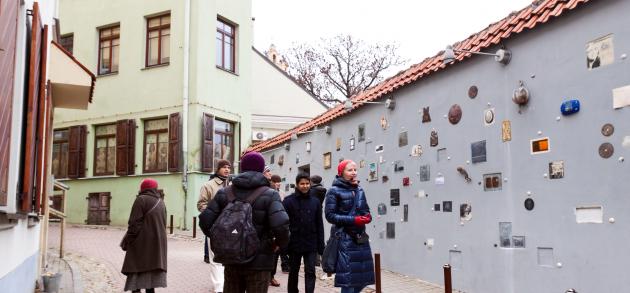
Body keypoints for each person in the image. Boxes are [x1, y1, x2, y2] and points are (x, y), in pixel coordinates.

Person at [199, 151, 289, 293]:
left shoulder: (225, 192)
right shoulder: (271, 194)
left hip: (232, 259)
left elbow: (205, 221)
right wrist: (278, 244)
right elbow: (282, 224)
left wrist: (223, 239)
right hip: (260, 260)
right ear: (261, 169)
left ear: (242, 169)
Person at [324, 160, 375, 293]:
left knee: (362, 279)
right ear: (341, 173)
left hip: (360, 239)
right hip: (344, 239)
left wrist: (367, 217)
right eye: (349, 170)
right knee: (348, 281)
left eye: (355, 170)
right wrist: (355, 220)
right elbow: (330, 216)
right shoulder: (333, 191)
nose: (354, 173)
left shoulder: (360, 189)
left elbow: (366, 211)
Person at [121, 178, 167, 293]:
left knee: (136, 278)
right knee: (150, 282)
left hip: (141, 244)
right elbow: (164, 223)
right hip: (157, 245)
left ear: (143, 188)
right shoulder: (161, 202)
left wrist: (128, 240)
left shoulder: (141, 200)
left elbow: (134, 224)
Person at [283, 173, 325, 293]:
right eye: (302, 184)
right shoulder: (288, 201)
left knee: (310, 271)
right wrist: (284, 246)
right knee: (294, 271)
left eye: (307, 183)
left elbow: (319, 224)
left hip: (311, 242)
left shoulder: (315, 202)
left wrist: (321, 245)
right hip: (294, 242)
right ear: (297, 185)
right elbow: (284, 225)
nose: (305, 186)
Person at [198, 159, 231, 293]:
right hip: (215, 227)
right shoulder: (209, 185)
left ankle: (228, 286)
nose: (227, 169)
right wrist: (214, 215)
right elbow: (201, 205)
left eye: (229, 167)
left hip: (232, 227)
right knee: (216, 260)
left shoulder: (234, 185)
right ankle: (219, 289)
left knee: (230, 258)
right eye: (224, 167)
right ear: (218, 169)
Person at [269, 174, 289, 287]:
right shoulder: (267, 191)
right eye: (276, 181)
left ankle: (272, 276)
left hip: (278, 225)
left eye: (279, 181)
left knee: (276, 254)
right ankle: (266, 276)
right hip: (268, 226)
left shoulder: (282, 193)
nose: (278, 183)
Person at [309, 175, 327, 267]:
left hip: (311, 215)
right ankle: (322, 260)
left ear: (312, 181)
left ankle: (316, 260)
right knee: (320, 237)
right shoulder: (322, 190)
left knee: (313, 238)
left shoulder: (312, 191)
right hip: (319, 213)